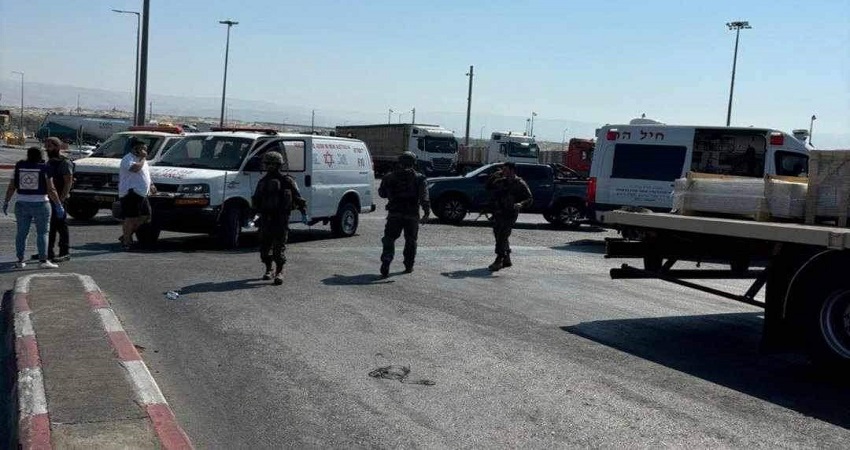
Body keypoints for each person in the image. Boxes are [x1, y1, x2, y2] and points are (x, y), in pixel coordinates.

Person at [251, 151, 307, 285]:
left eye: (273, 164)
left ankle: (279, 271)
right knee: (264, 249)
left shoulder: (287, 181)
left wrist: (303, 212)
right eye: (268, 164)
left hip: (281, 219)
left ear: (279, 165)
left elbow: (298, 197)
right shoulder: (262, 182)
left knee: (278, 248)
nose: (270, 166)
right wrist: (252, 215)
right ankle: (269, 269)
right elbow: (256, 199)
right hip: (265, 219)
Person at [3, 147, 64, 269]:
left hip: (21, 203)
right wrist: (58, 205)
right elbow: (51, 189)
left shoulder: (19, 167)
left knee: (21, 233)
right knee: (43, 233)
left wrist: (6, 201)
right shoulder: (45, 168)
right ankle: (43, 260)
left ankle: (20, 260)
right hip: (41, 203)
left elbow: (11, 187)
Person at [378, 151, 430, 278]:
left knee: (389, 238)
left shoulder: (389, 177)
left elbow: (381, 193)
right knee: (411, 240)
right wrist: (426, 213)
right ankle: (408, 265)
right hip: (411, 215)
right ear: (413, 163)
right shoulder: (419, 178)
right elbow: (424, 197)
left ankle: (387, 259)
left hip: (394, 214)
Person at [484, 162, 533, 271]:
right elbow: (488, 187)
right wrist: (494, 176)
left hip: (510, 213)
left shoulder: (520, 183)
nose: (504, 171)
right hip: (499, 212)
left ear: (512, 170)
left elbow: (529, 198)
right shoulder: (501, 181)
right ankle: (507, 258)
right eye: (503, 169)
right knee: (498, 234)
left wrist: (521, 204)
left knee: (502, 235)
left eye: (506, 169)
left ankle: (499, 259)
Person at [118, 138, 154, 250]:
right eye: (142, 148)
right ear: (135, 149)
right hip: (131, 192)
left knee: (146, 216)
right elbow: (135, 169)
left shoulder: (142, 160)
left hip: (142, 193)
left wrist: (151, 184)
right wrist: (143, 158)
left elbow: (145, 173)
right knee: (131, 218)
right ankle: (126, 242)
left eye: (145, 149)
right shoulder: (128, 158)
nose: (145, 151)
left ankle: (126, 235)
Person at [43, 137, 74, 261]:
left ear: (57, 147)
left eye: (49, 146)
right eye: (46, 146)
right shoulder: (50, 162)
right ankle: (48, 251)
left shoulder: (64, 162)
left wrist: (61, 200)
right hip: (50, 198)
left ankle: (64, 252)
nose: (47, 149)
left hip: (60, 198)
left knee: (61, 226)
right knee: (50, 226)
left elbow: (68, 182)